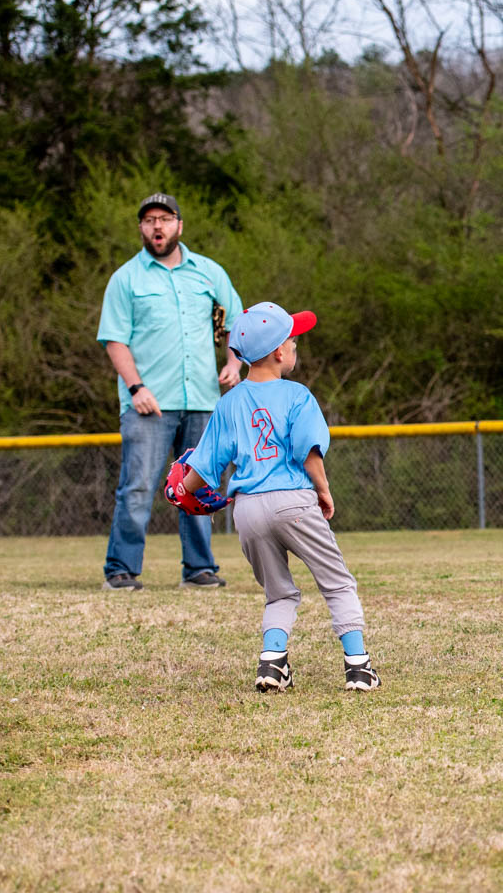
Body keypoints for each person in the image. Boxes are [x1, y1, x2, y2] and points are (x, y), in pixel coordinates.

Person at [176, 302, 380, 692]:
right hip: (293, 502)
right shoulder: (297, 395)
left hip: (248, 510)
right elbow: (309, 451)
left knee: (279, 592)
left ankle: (272, 664)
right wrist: (323, 490)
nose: (295, 345)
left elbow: (203, 468)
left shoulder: (228, 403)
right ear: (279, 353)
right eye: (293, 340)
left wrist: (181, 489)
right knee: (337, 583)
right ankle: (358, 667)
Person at [97, 193, 243, 591]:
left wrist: (233, 364)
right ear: (141, 228)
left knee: (200, 485)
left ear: (179, 224)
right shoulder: (126, 278)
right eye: (149, 220)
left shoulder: (209, 272)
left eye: (164, 218)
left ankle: (199, 570)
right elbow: (114, 339)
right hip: (148, 404)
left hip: (202, 400)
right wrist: (136, 387)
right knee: (138, 487)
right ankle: (121, 570)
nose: (156, 226)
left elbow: (236, 323)